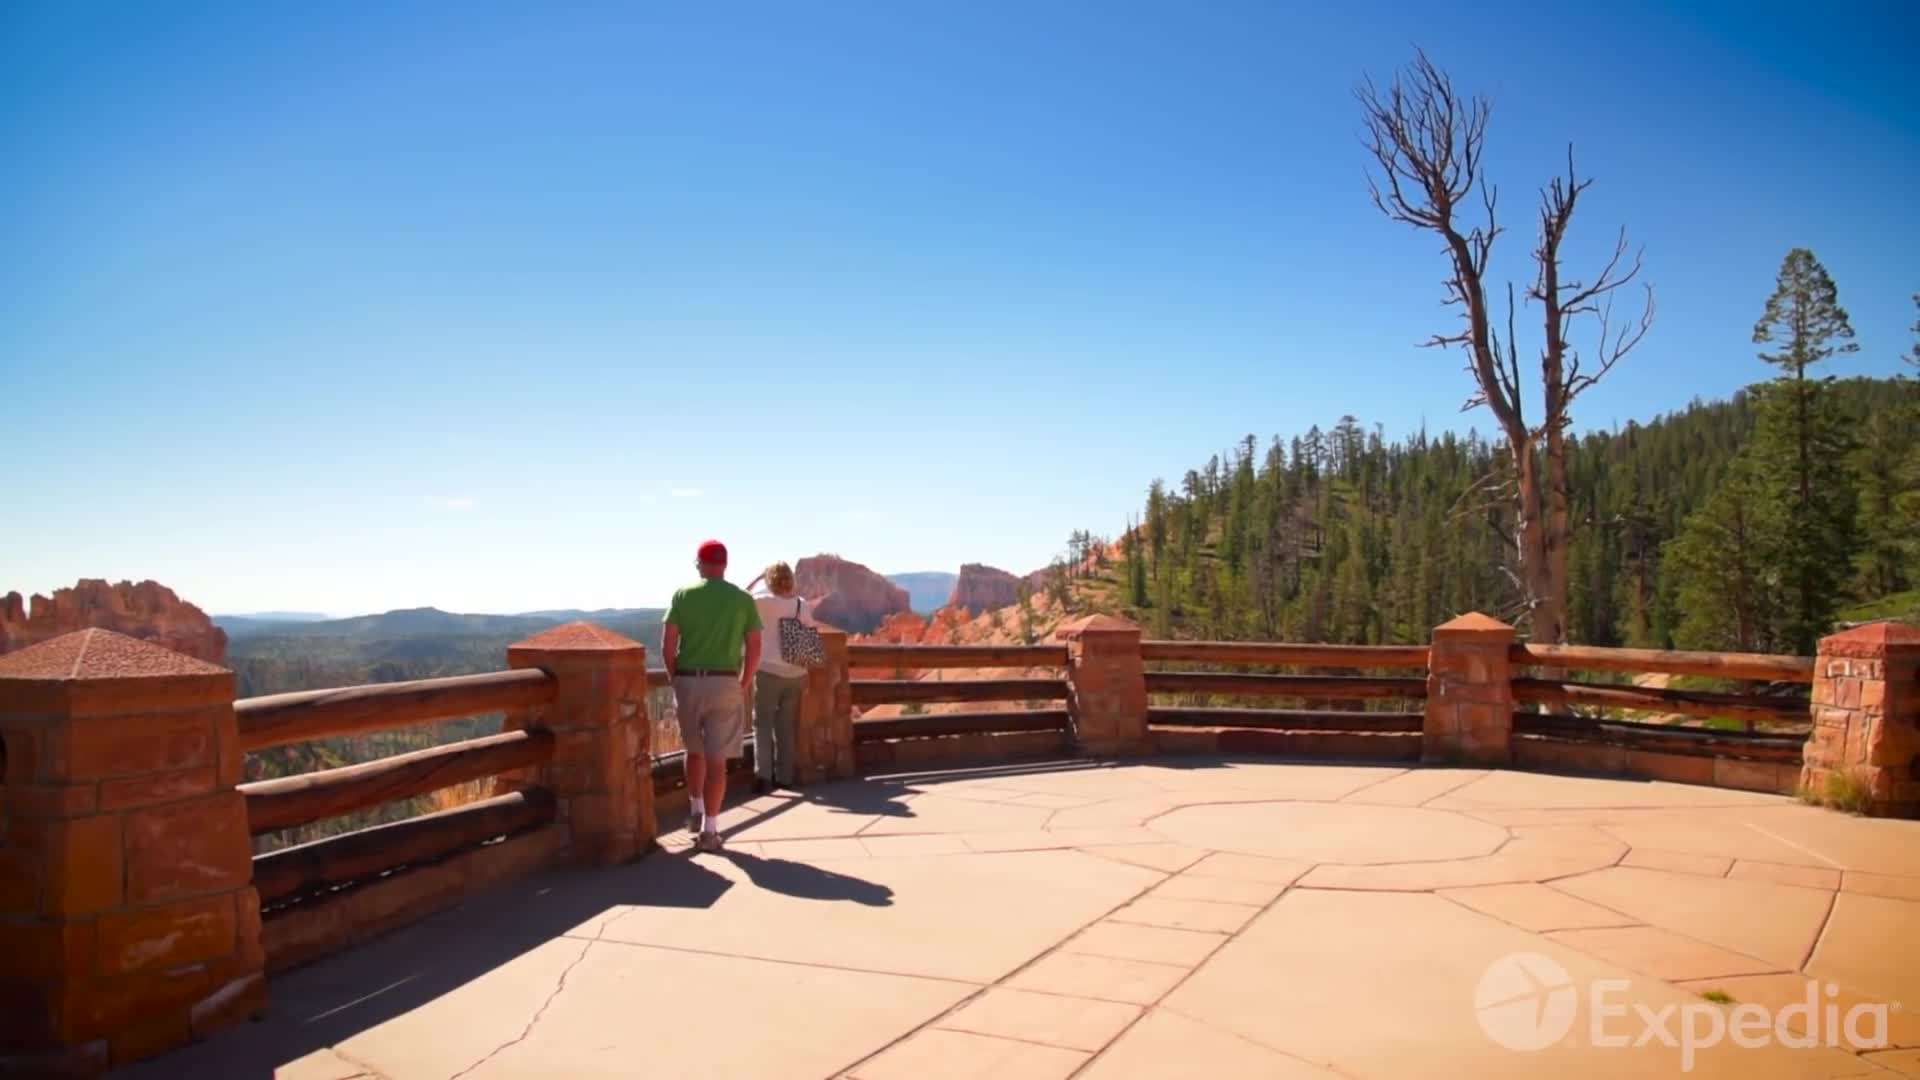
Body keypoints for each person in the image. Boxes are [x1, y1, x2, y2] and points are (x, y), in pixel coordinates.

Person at [662, 539, 761, 853]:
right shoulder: (742, 599)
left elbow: (668, 647)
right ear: (725, 564)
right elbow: (755, 648)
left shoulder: (683, 595)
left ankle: (694, 810)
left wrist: (675, 679)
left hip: (689, 681)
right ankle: (711, 830)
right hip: (725, 683)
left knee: (694, 752)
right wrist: (743, 682)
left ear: (699, 564)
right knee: (717, 762)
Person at [744, 561, 816, 793]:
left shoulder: (761, 602)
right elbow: (810, 637)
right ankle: (785, 777)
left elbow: (741, 598)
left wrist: (757, 579)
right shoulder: (801, 605)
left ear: (770, 581)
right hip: (795, 672)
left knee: (762, 724)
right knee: (785, 725)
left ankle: (763, 775)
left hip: (768, 671)